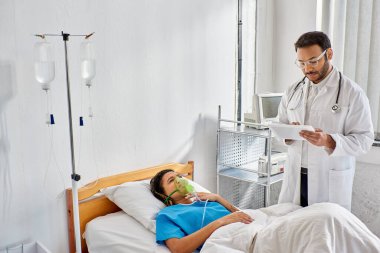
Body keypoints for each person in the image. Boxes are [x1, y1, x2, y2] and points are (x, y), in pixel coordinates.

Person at [278, 31, 374, 210]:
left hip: (328, 179)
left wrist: (329, 140)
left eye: (313, 61)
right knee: (292, 230)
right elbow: (280, 123)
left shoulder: (352, 93)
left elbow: (364, 140)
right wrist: (288, 135)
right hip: (296, 176)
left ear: (329, 54)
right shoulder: (292, 90)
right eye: (302, 63)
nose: (307, 69)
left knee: (325, 231)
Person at [150, 169, 253, 253]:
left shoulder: (207, 199)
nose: (179, 180)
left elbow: (241, 215)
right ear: (163, 195)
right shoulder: (167, 215)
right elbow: (178, 249)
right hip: (234, 240)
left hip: (250, 227)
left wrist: (218, 198)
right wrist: (220, 221)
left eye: (179, 176)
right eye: (171, 180)